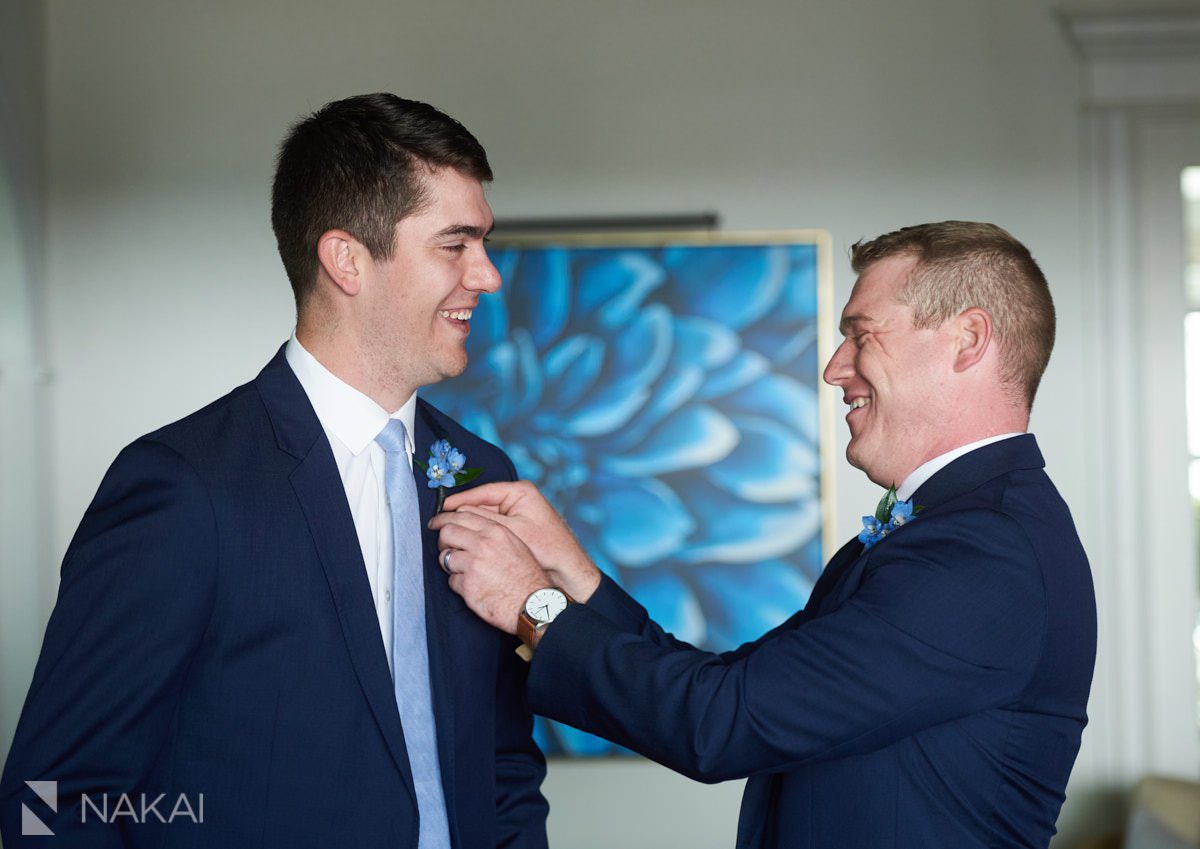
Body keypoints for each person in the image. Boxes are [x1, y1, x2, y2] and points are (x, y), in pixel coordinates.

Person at [431, 221, 1097, 849]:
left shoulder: (982, 555)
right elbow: (733, 683)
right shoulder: (959, 531)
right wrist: (572, 573)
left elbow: (719, 722)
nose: (836, 368)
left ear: (967, 341)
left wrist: (530, 606)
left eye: (862, 334)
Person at [0, 93, 548, 849]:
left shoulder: (482, 475)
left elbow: (503, 762)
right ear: (346, 259)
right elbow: (50, 800)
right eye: (455, 245)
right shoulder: (183, 487)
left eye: (482, 243)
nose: (487, 275)